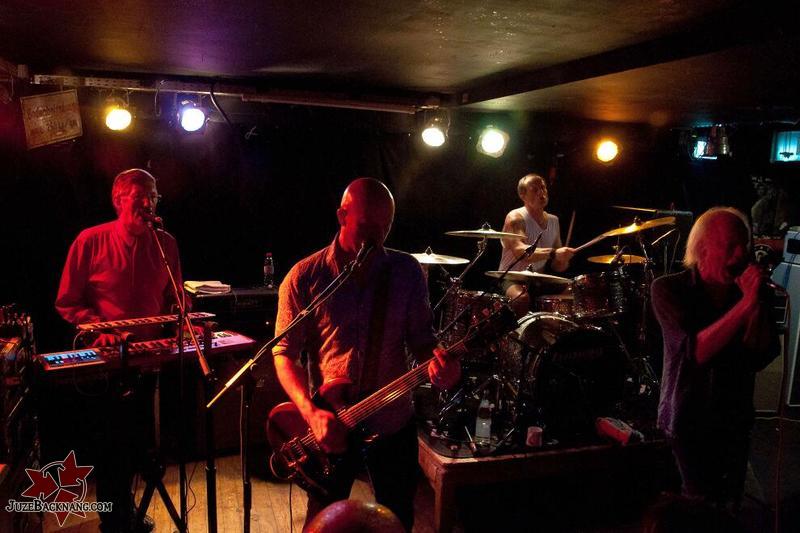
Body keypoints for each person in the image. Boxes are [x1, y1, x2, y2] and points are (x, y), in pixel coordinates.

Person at [272, 178, 460, 531]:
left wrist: (439, 365)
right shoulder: (305, 276)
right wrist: (310, 412)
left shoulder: (406, 272)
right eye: (366, 227)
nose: (375, 238)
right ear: (342, 216)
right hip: (332, 422)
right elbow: (284, 354)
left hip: (392, 419)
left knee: (397, 519)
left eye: (384, 228)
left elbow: (423, 341)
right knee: (324, 522)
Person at [54, 168, 184, 533]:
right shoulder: (89, 241)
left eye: (153, 197)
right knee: (113, 449)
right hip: (108, 363)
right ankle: (114, 521)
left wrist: (184, 315)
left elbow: (175, 296)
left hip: (150, 359)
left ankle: (129, 512)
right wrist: (101, 329)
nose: (148, 204)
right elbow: (67, 302)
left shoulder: (166, 244)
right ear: (118, 200)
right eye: (140, 196)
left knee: (145, 446)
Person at [650, 207, 779, 508]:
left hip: (734, 419)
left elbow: (761, 353)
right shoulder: (668, 289)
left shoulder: (748, 293)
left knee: (729, 505)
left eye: (744, 245)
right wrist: (746, 305)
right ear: (702, 249)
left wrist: (755, 304)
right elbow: (695, 352)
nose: (740, 255)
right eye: (731, 246)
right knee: (697, 508)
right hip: (688, 421)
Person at [499, 173, 575, 316]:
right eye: (535, 190)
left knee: (573, 290)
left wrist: (563, 260)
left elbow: (557, 267)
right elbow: (520, 251)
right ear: (522, 195)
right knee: (521, 298)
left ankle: (553, 328)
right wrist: (554, 253)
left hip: (538, 278)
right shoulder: (515, 217)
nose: (541, 193)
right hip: (511, 277)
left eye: (543, 188)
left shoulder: (554, 220)